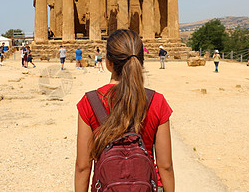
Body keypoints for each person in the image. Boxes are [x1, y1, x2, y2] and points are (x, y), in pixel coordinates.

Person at [75, 29, 175, 192]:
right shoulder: (157, 101)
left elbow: (82, 167)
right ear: (141, 61)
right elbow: (166, 166)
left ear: (109, 63)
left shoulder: (89, 102)